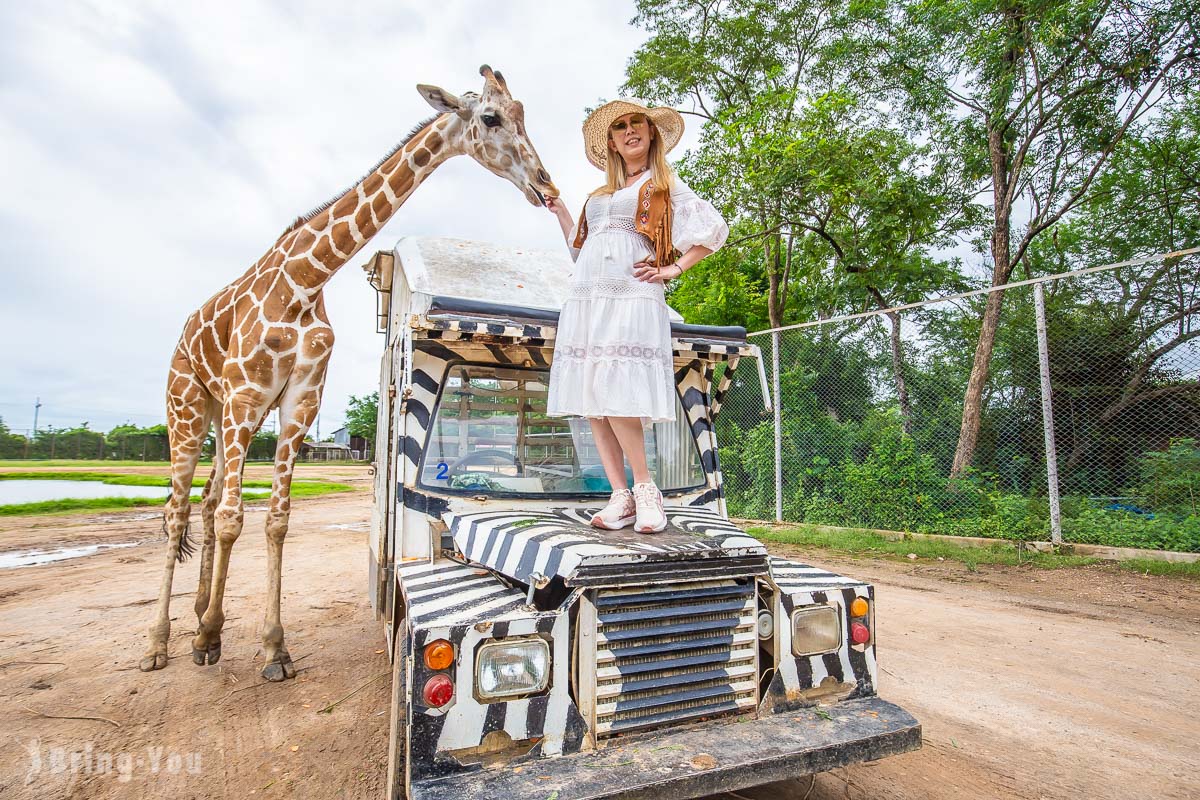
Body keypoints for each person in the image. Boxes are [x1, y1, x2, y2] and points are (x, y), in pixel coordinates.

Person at [544, 99, 728, 533]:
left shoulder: (664, 183)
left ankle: (647, 490)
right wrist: (562, 212)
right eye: (621, 127)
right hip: (589, 294)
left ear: (650, 133)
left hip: (632, 293)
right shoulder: (601, 195)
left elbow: (713, 228)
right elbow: (580, 250)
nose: (630, 131)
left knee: (616, 388)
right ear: (610, 141)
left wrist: (674, 267)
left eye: (637, 124)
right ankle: (620, 496)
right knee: (593, 397)